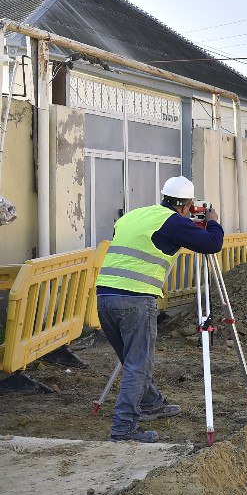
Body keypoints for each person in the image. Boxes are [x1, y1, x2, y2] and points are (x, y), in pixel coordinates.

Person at [95, 176, 224, 443]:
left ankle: (151, 403)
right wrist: (212, 220)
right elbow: (212, 243)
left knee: (132, 360)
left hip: (105, 296)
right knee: (138, 365)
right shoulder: (173, 222)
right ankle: (123, 427)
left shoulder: (135, 215)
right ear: (186, 206)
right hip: (135, 299)